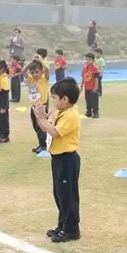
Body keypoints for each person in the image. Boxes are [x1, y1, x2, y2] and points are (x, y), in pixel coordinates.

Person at [33, 78, 82, 243]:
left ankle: (71, 229)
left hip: (68, 159)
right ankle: (62, 225)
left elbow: (54, 132)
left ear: (65, 99)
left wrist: (42, 120)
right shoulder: (61, 111)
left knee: (68, 196)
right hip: (58, 158)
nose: (53, 101)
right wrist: (40, 117)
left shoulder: (72, 115)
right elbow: (47, 127)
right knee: (59, 194)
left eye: (54, 98)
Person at [25, 60, 51, 154]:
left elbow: (47, 69)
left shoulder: (44, 79)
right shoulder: (31, 79)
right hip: (34, 106)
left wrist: (40, 60)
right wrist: (30, 63)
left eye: (37, 72)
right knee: (35, 125)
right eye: (32, 72)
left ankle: (44, 145)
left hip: (42, 106)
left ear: (42, 71)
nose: (34, 74)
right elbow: (23, 71)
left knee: (41, 125)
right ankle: (41, 143)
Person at [81, 53, 100, 118]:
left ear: (93, 60)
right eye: (86, 59)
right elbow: (83, 78)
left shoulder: (95, 68)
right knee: (88, 100)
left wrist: (96, 87)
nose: (87, 61)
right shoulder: (84, 68)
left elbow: (96, 78)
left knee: (94, 100)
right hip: (87, 87)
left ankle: (95, 113)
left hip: (93, 87)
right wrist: (81, 86)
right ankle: (88, 112)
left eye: (89, 59)